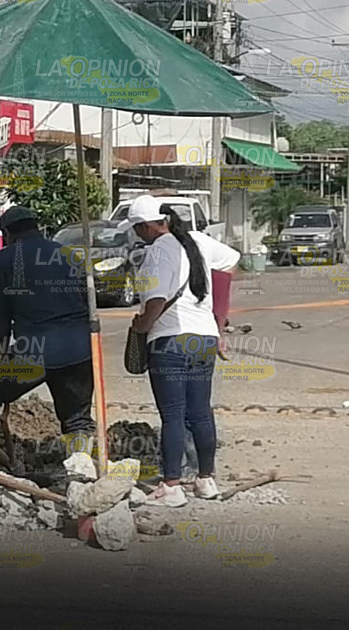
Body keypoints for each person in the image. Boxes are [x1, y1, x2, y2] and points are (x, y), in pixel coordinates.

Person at [123, 195, 240, 507]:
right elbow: (230, 260)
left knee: (173, 414)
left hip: (171, 341)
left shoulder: (159, 249)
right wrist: (220, 319)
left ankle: (171, 486)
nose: (137, 236)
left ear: (146, 227)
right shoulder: (199, 240)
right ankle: (206, 480)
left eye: (137, 229)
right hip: (203, 339)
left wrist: (141, 328)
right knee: (200, 412)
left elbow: (158, 299)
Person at [0, 206, 95, 467]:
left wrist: (0, 352)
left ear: (7, 233)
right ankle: (82, 467)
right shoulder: (67, 255)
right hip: (79, 352)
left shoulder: (6, 258)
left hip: (33, 353)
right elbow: (87, 302)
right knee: (77, 417)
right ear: (37, 227)